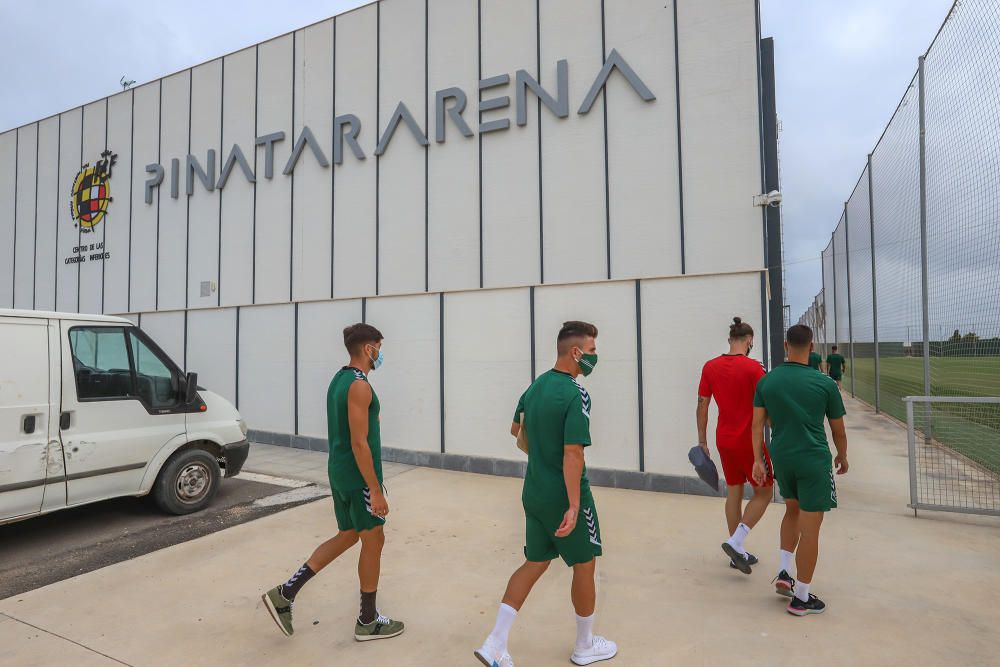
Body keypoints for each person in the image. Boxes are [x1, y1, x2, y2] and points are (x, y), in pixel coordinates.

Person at [475, 321, 617, 667]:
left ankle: (495, 642)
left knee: (535, 562)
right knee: (584, 565)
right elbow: (573, 454)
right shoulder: (575, 393)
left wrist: (541, 453)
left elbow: (515, 428)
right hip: (563, 494)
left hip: (533, 490)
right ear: (576, 352)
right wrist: (572, 504)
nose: (595, 357)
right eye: (593, 351)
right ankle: (584, 646)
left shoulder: (536, 386)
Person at [261, 323, 404, 641]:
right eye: (379, 347)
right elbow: (359, 443)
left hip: (339, 472)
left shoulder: (339, 380)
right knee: (374, 539)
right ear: (369, 349)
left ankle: (286, 593)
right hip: (358, 477)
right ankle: (368, 621)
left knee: (349, 535)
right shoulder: (359, 386)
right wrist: (376, 490)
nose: (380, 354)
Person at [752, 324, 849, 616]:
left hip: (782, 457)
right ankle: (802, 597)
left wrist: (758, 459)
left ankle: (784, 572)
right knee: (811, 530)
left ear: (785, 345)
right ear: (811, 346)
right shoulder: (825, 384)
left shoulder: (767, 381)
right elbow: (838, 430)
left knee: (791, 510)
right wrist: (842, 455)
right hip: (812, 459)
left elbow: (758, 424)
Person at [696, 317, 772, 574]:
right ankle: (736, 542)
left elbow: (702, 404)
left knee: (734, 492)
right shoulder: (754, 369)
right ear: (750, 341)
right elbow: (766, 407)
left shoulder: (710, 366)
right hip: (748, 441)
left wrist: (702, 440)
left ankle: (736, 552)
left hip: (723, 439)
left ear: (730, 340)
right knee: (764, 493)